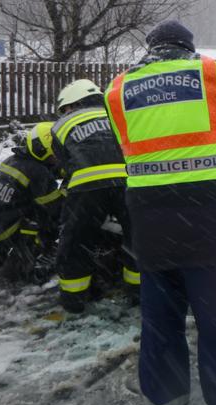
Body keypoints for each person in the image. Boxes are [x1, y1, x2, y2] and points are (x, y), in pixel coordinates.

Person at [103, 20, 216, 405]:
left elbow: (124, 148)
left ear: (150, 48)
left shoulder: (118, 88)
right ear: (187, 46)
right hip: (209, 231)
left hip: (152, 235)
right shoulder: (211, 73)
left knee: (160, 331)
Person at [50, 79, 140, 313]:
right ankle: (138, 290)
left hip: (85, 190)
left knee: (75, 241)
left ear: (72, 102)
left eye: (65, 108)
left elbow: (65, 165)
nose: (66, 112)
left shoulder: (60, 125)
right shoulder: (119, 116)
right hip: (128, 183)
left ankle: (74, 298)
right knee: (137, 237)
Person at [0, 122, 63, 283]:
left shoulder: (13, 160)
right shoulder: (38, 172)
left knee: (17, 213)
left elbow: (42, 172)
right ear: (40, 150)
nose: (56, 159)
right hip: (1, 232)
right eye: (53, 155)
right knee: (44, 222)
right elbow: (57, 208)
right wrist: (69, 192)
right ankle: (14, 270)